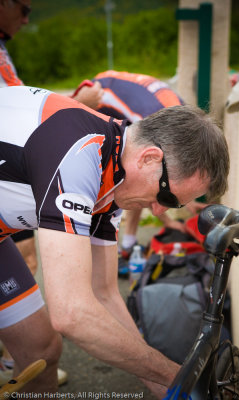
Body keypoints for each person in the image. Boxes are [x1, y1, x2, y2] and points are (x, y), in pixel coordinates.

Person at [0, 84, 229, 396]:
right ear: (150, 158)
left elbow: (105, 294)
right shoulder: (80, 153)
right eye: (166, 196)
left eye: (173, 205)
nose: (159, 210)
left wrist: (163, 386)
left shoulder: (117, 175)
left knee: (40, 350)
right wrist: (179, 376)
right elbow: (71, 313)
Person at [0, 0, 103, 386]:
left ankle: (14, 358)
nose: (28, 19)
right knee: (28, 254)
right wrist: (78, 107)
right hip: (12, 174)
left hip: (12, 180)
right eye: (24, 8)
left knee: (42, 349)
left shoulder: (4, 43)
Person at [87, 70, 207, 262]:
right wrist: (167, 221)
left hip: (120, 88)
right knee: (132, 178)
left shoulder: (184, 123)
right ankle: (110, 243)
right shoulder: (158, 129)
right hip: (96, 94)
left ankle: (127, 242)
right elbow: (149, 179)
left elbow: (168, 176)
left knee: (139, 181)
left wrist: (186, 197)